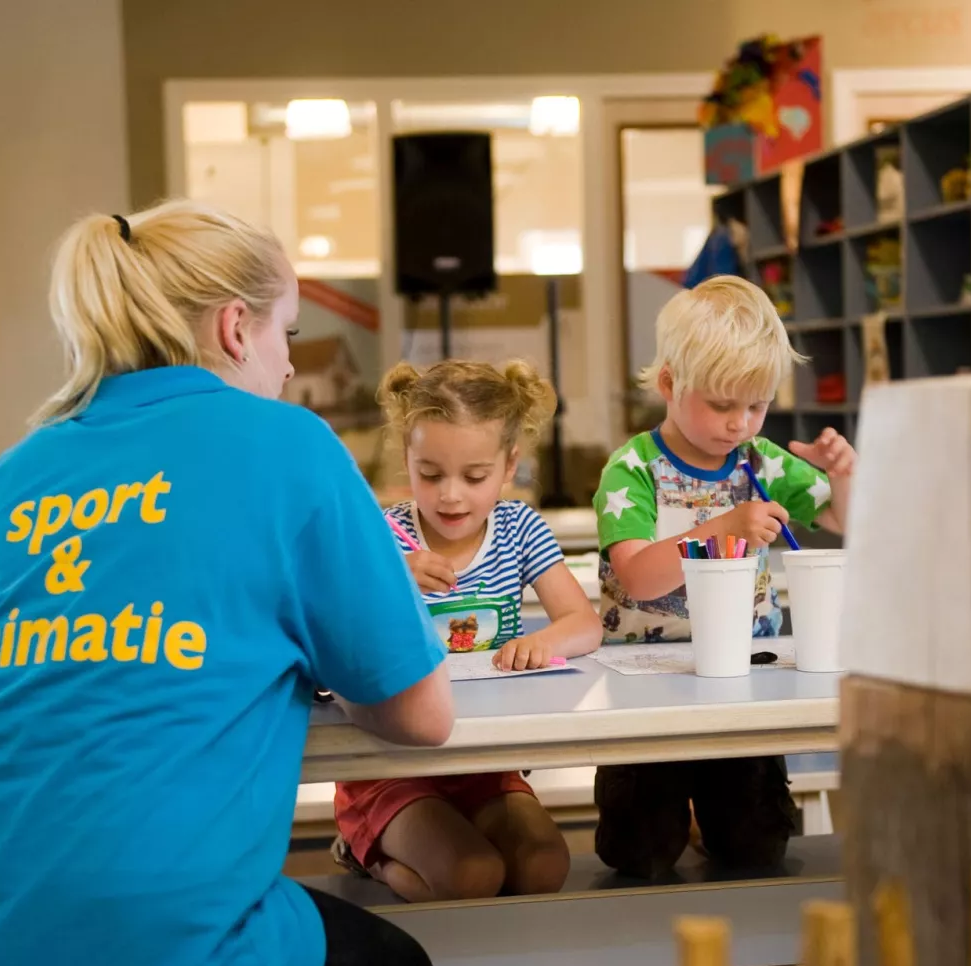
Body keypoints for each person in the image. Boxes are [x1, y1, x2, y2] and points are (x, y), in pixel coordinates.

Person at [0, 201, 453, 966]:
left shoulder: (25, 466)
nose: (287, 363)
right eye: (288, 335)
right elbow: (422, 714)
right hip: (158, 964)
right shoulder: (290, 444)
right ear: (237, 328)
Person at [591, 275, 858, 878]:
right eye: (721, 404)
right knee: (638, 852)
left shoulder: (760, 460)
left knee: (757, 846)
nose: (741, 423)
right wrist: (721, 525)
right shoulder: (633, 469)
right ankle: (677, 819)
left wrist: (844, 472)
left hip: (745, 682)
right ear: (668, 383)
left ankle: (709, 818)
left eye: (757, 405)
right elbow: (636, 577)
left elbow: (842, 517)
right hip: (647, 686)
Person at [331, 361, 602, 902]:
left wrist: (541, 642)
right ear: (406, 460)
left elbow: (585, 623)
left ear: (508, 467)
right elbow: (338, 632)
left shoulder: (520, 529)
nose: (450, 496)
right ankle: (369, 854)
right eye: (429, 474)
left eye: (474, 477)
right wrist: (388, 578)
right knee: (470, 875)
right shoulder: (384, 537)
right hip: (393, 766)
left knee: (545, 866)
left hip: (484, 761)